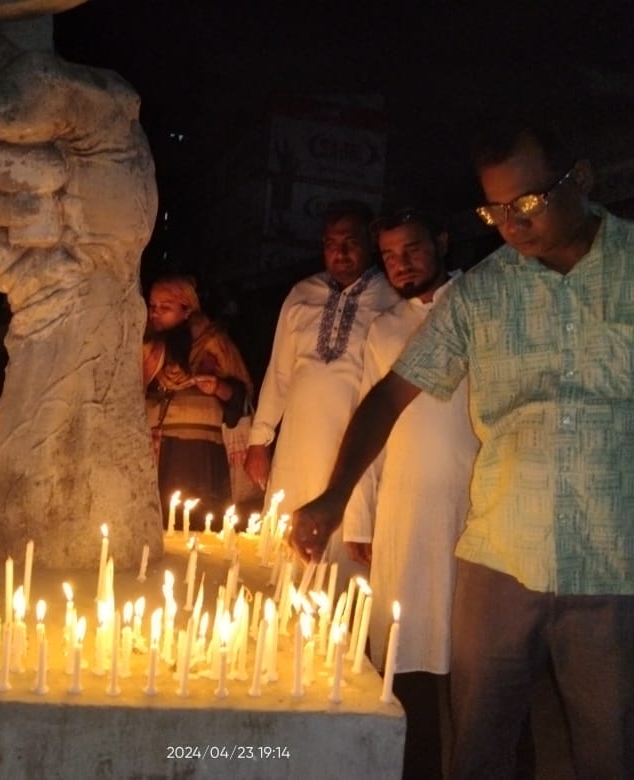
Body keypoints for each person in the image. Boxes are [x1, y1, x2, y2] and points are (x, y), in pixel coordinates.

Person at [289, 119, 634, 778]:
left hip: (622, 564)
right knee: (478, 748)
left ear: (581, 180)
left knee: (615, 752)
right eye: (494, 208)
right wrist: (335, 496)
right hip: (499, 559)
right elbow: (391, 394)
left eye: (527, 201)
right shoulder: (485, 291)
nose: (511, 223)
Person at [343, 209, 478, 779]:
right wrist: (359, 517)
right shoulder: (382, 328)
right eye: (391, 255)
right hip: (402, 510)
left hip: (476, 509)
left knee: (482, 666)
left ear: (442, 240)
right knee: (408, 656)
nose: (401, 264)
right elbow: (371, 421)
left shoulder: (482, 303)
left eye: (413, 249)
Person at [244, 200, 398, 564]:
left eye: (351, 242)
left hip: (354, 446)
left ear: (370, 242)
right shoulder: (301, 295)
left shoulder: (391, 300)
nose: (340, 253)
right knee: (287, 554)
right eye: (331, 244)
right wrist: (259, 439)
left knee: (345, 555)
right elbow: (280, 373)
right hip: (297, 445)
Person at [145, 275, 252, 526]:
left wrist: (217, 387)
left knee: (191, 523)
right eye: (152, 307)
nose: (155, 314)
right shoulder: (148, 347)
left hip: (195, 455)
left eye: (165, 307)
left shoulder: (213, 345)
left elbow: (240, 399)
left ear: (187, 311)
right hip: (152, 450)